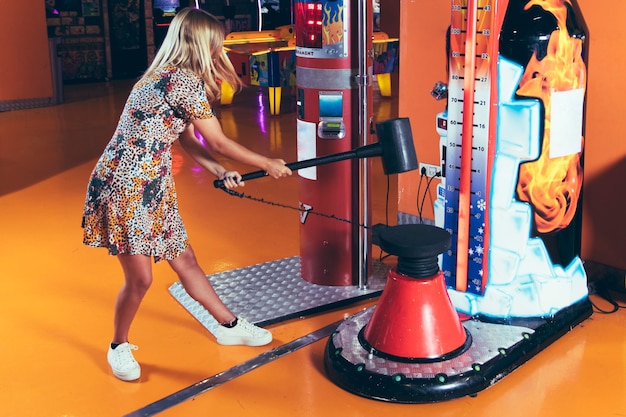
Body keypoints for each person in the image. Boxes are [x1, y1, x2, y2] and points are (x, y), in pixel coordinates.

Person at [81, 7, 292, 382]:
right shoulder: (181, 82)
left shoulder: (163, 77)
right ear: (201, 43)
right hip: (126, 185)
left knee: (186, 260)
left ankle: (228, 327)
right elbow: (218, 141)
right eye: (216, 42)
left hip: (151, 184)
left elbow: (186, 139)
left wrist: (219, 170)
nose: (221, 49)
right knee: (141, 279)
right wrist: (267, 161)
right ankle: (118, 346)